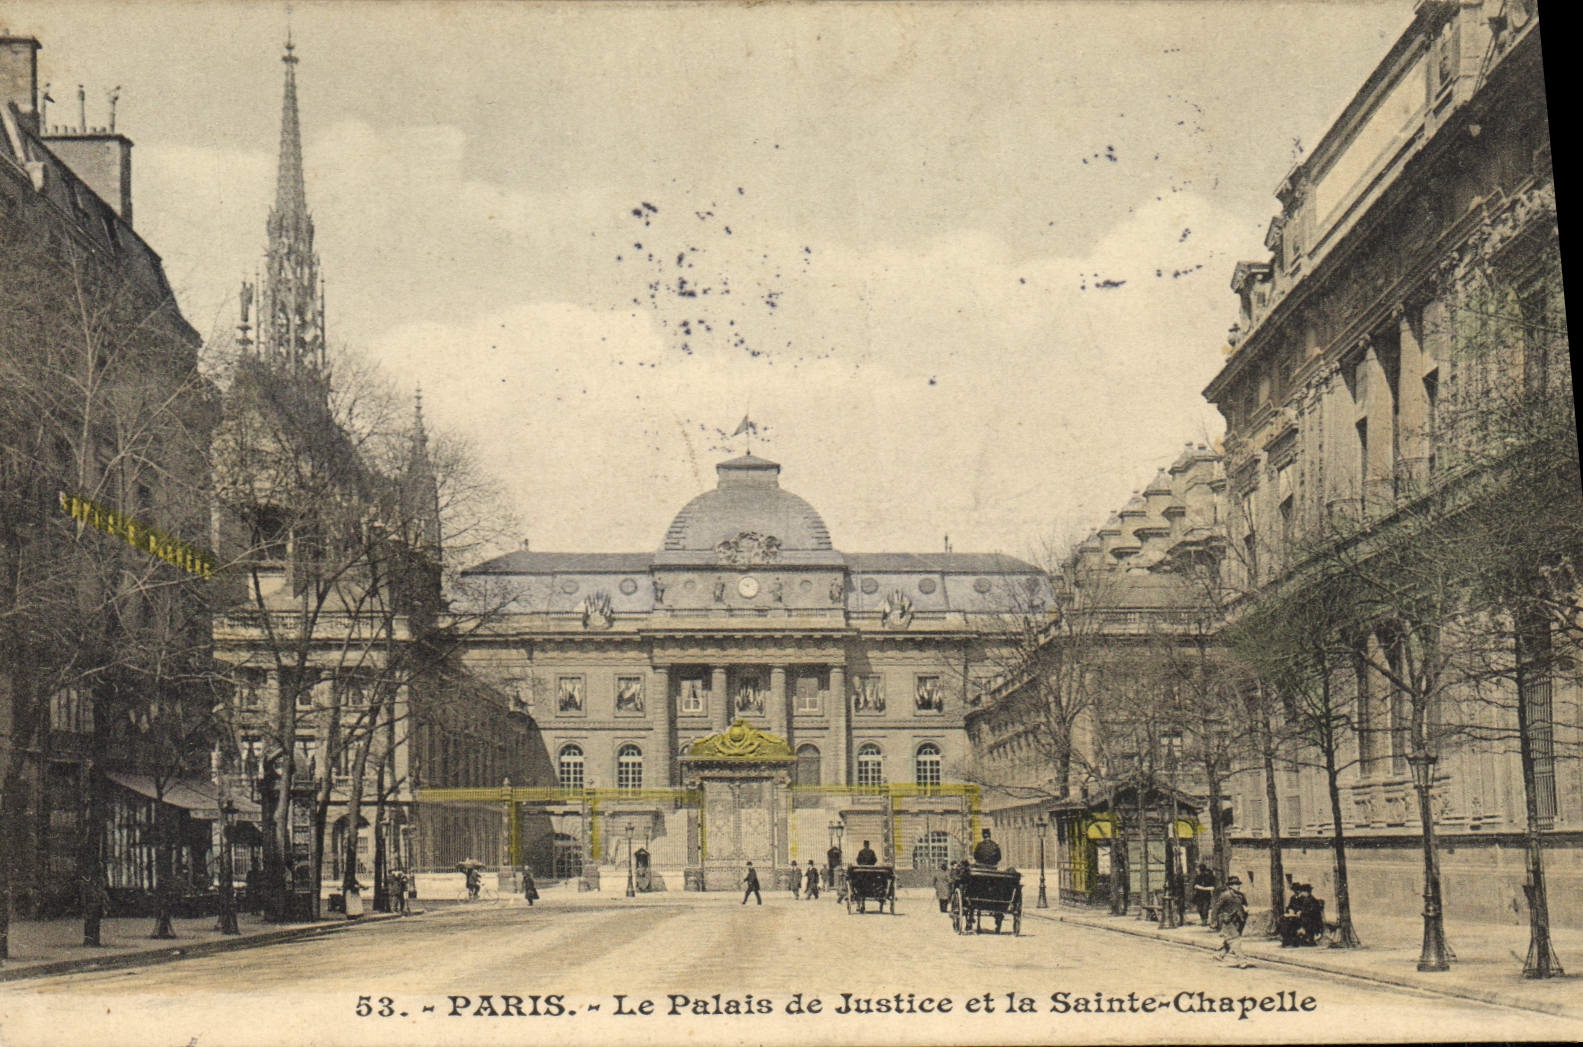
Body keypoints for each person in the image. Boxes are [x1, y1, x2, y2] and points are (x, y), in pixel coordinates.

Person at [1210, 875, 1252, 968]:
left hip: (1239, 921)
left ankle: (1220, 954)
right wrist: (1213, 921)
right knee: (1235, 939)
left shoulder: (1241, 895)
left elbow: (1245, 905)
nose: (1238, 886)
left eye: (1238, 884)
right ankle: (1241, 960)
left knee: (1230, 939)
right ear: (1230, 886)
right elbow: (1216, 908)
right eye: (1235, 884)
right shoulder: (1225, 895)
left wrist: (1245, 909)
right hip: (1227, 920)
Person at [1277, 883, 1324, 947]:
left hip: (1311, 920)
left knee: (1291, 922)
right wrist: (1290, 910)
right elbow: (1290, 906)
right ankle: (1287, 940)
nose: (1300, 892)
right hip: (1301, 917)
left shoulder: (1311, 899)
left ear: (1307, 892)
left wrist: (1301, 912)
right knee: (1284, 920)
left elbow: (1312, 911)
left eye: (1301, 891)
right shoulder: (1295, 898)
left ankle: (1292, 940)